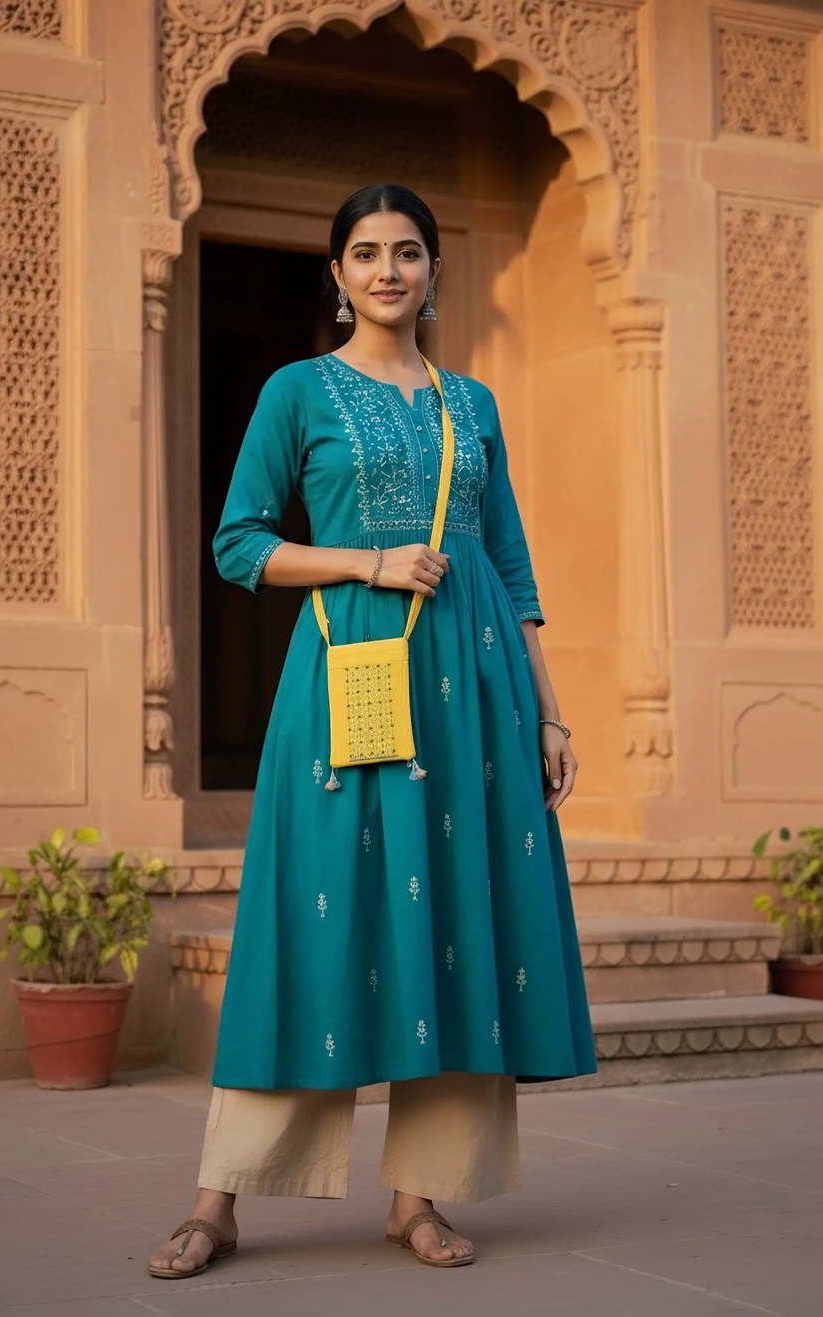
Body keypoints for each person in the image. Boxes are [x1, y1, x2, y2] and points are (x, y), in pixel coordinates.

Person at [149, 183, 596, 1279]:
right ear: (337, 274)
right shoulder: (297, 392)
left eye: (407, 252)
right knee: (319, 916)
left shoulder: (472, 405)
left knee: (455, 912)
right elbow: (240, 544)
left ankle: (419, 1198)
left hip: (477, 689)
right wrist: (366, 560)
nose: (388, 270)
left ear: (435, 272)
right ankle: (221, 1199)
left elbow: (508, 562)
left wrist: (545, 711)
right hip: (352, 667)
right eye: (365, 253)